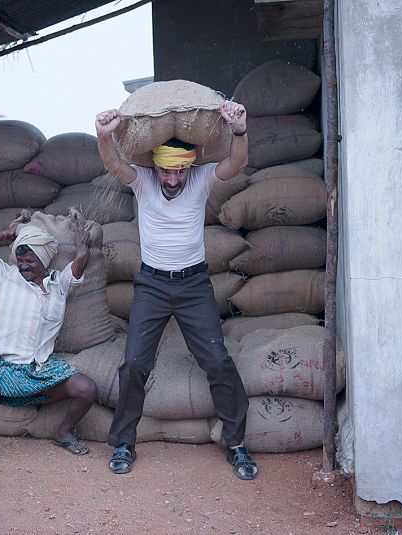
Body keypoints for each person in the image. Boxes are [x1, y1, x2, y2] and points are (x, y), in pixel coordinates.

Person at [95, 100, 258, 480]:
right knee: (134, 362)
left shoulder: (200, 178)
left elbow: (236, 164)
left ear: (189, 165)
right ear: (156, 167)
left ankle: (236, 444)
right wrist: (104, 137)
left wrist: (239, 130)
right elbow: (113, 165)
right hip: (152, 284)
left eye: (179, 172)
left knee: (217, 361)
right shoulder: (143, 180)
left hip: (194, 284)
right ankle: (123, 442)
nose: (172, 181)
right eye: (166, 172)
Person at [0, 223, 97, 469]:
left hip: (41, 371)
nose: (24, 267)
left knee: (87, 388)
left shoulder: (59, 284)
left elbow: (82, 257)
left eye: (30, 261)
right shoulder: (6, 275)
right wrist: (7, 233)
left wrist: (80, 241)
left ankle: (63, 432)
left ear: (44, 259)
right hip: (3, 369)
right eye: (20, 261)